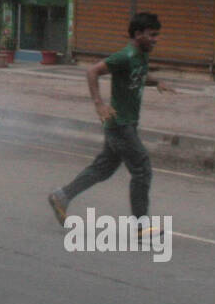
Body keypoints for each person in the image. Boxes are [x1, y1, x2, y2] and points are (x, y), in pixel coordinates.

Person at [47, 13, 175, 230]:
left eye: (157, 35)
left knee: (103, 169)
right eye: (152, 35)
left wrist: (157, 82)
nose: (156, 39)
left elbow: (139, 75)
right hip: (120, 124)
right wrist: (99, 104)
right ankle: (141, 227)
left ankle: (62, 196)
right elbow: (92, 71)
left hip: (126, 123)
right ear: (138, 34)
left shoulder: (141, 55)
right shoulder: (124, 55)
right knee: (142, 169)